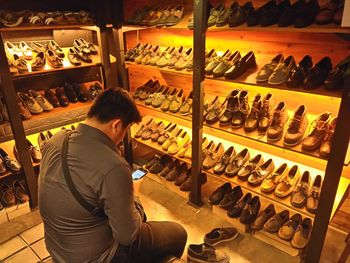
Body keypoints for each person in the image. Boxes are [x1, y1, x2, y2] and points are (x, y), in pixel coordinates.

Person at [38, 87, 188, 263]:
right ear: (116, 125)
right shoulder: (114, 167)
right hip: (98, 257)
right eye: (126, 129)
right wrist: (135, 196)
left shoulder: (56, 140)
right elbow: (127, 235)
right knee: (177, 233)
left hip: (58, 250)